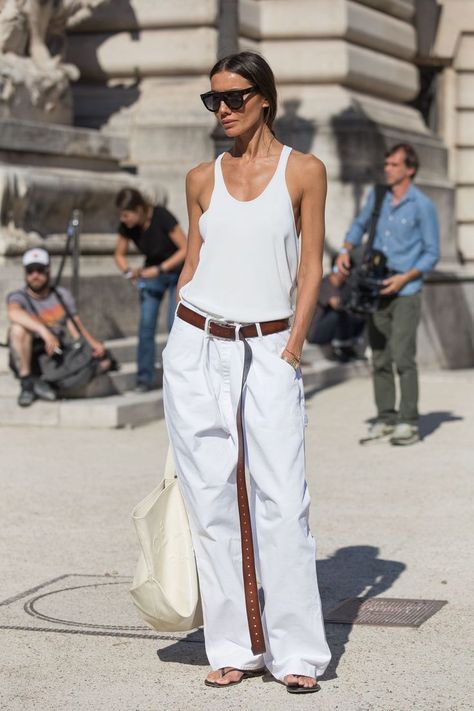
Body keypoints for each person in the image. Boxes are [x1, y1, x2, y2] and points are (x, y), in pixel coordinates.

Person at [162, 51, 331, 693]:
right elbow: (193, 262)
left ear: (265, 97)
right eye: (213, 100)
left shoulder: (304, 171)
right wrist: (177, 343)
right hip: (197, 344)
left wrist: (292, 349)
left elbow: (310, 265)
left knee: (283, 502)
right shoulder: (201, 178)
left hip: (268, 348)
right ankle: (233, 645)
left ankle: (296, 654)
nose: (223, 109)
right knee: (211, 501)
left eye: (233, 97)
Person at [336, 143, 440, 446]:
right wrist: (345, 249)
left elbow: (432, 253)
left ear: (410, 169)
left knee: (403, 357)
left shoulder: (422, 206)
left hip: (406, 290)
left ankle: (408, 421)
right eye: (387, 164)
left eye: (394, 165)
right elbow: (359, 225)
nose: (388, 169)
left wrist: (405, 277)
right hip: (376, 287)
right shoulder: (378, 196)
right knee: (379, 356)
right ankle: (385, 417)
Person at [7, 247, 108, 407]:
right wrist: (44, 332)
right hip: (31, 353)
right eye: (30, 271)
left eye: (39, 270)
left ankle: (47, 383)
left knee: (99, 361)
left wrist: (92, 344)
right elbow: (13, 313)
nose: (35, 275)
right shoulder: (19, 296)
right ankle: (27, 383)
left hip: (55, 352)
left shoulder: (60, 295)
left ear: (48, 270)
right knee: (18, 329)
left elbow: (75, 325)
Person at [114, 188, 186, 392]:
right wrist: (129, 273)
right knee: (146, 326)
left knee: (175, 326)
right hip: (152, 275)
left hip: (177, 273)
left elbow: (186, 247)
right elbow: (119, 254)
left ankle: (177, 379)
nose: (123, 219)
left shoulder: (161, 216)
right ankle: (144, 378)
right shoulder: (127, 226)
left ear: (139, 209)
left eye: (126, 215)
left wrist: (160, 269)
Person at [307, 258, 365, 361]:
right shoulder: (324, 283)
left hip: (332, 330)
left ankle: (347, 347)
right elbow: (336, 304)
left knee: (359, 315)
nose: (345, 273)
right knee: (338, 314)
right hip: (315, 332)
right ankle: (342, 347)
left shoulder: (345, 286)